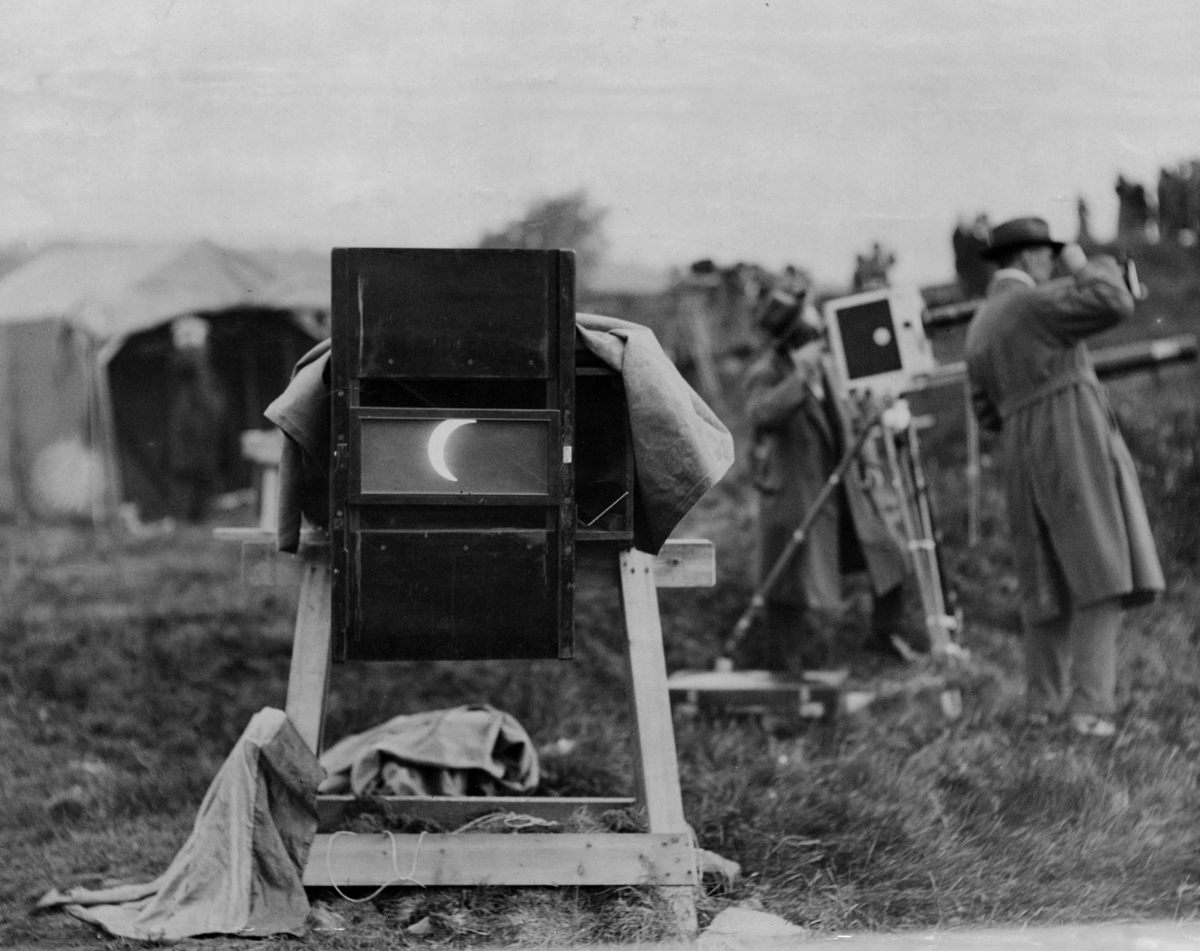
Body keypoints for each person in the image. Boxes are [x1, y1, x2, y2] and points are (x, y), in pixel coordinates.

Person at [964, 216, 1165, 738]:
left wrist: (1021, 421)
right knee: (1101, 568)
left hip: (1018, 446)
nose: (1053, 263)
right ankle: (1089, 710)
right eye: (1049, 255)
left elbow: (984, 411)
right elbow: (1114, 302)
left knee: (1044, 580)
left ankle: (1042, 706)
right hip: (1068, 433)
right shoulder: (1035, 303)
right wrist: (1087, 264)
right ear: (1030, 257)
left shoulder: (983, 321)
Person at [743, 288, 909, 672]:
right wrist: (800, 379)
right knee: (787, 582)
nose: (820, 344)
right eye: (812, 337)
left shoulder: (830, 370)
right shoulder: (767, 374)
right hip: (797, 495)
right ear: (793, 344)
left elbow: (849, 419)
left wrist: (867, 461)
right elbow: (761, 415)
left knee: (888, 551)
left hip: (843, 487)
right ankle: (785, 664)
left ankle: (885, 634)